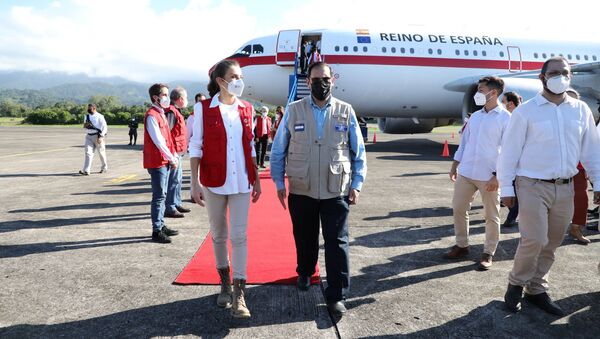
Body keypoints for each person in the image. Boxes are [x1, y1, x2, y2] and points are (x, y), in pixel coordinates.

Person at [498, 57, 600, 316]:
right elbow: (509, 152)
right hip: (531, 184)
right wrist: (506, 189)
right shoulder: (526, 111)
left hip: (565, 186)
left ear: (570, 77)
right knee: (534, 239)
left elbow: (591, 151)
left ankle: (537, 288)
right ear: (542, 77)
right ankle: (515, 284)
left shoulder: (580, 110)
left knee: (553, 241)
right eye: (554, 72)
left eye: (564, 72)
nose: (560, 77)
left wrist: (598, 182)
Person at [270, 61, 367, 317]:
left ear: (332, 80)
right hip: (302, 188)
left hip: (336, 189)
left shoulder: (346, 111)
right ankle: (304, 271)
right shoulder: (294, 110)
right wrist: (279, 182)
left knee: (337, 242)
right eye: (315, 79)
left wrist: (357, 184)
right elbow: (279, 149)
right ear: (308, 82)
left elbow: (359, 152)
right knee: (304, 236)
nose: (320, 83)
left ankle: (337, 294)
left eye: (325, 78)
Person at [189, 59, 261, 318]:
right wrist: (194, 182)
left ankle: (240, 293)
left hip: (241, 181)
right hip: (214, 182)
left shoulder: (247, 109)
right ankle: (225, 283)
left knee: (240, 236)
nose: (239, 81)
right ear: (220, 81)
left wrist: (257, 179)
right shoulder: (203, 109)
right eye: (234, 76)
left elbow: (251, 146)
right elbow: (196, 146)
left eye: (240, 76)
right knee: (219, 234)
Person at [445, 76, 511, 271]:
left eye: (481, 90)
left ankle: (488, 252)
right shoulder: (475, 116)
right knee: (458, 208)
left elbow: (509, 150)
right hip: (466, 171)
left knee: (491, 215)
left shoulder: (506, 118)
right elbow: (465, 143)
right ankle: (462, 245)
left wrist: (498, 176)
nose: (477, 93)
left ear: (494, 93)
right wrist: (455, 164)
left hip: (489, 175)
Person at [143, 83, 180, 244]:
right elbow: (158, 140)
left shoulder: (161, 113)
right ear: (155, 97)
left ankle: (161, 225)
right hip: (157, 161)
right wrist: (171, 158)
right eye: (164, 95)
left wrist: (173, 156)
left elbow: (168, 139)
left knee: (163, 194)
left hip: (164, 159)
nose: (167, 98)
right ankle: (156, 230)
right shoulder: (152, 115)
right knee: (159, 196)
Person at [564, 88, 592, 244]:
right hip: (556, 170)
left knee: (581, 200)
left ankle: (576, 229)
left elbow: (591, 146)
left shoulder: (582, 120)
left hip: (579, 168)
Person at [164, 86, 191, 218]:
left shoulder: (176, 111)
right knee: (173, 180)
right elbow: (166, 134)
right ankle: (169, 206)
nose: (187, 100)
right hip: (174, 152)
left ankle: (176, 202)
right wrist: (171, 154)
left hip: (179, 151)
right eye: (185, 98)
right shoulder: (171, 112)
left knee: (178, 179)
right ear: (180, 99)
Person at [500, 91, 522, 227]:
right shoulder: (510, 117)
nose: (501, 104)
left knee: (513, 190)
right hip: (510, 161)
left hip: (518, 163)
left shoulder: (517, 118)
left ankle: (512, 216)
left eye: (503, 101)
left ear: (511, 103)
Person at [186, 93, 206, 204]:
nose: (201, 103)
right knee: (195, 173)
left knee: (203, 173)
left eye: (203, 101)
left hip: (206, 149)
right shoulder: (191, 117)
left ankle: (202, 193)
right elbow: (188, 134)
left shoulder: (207, 114)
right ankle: (194, 194)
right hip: (195, 148)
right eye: (199, 101)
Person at [79, 103, 108, 175]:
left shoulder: (100, 116)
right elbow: (85, 126)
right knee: (88, 153)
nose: (88, 110)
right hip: (89, 136)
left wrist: (101, 136)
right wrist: (85, 125)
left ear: (94, 108)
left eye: (90, 108)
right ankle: (86, 170)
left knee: (101, 153)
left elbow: (104, 127)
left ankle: (104, 167)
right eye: (88, 108)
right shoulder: (87, 116)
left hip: (97, 136)